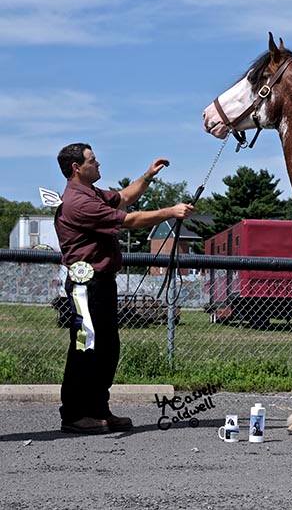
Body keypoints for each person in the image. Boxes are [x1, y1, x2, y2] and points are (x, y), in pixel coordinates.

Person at [54, 142, 194, 434]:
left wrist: (148, 175)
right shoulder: (78, 202)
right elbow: (129, 220)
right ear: (76, 168)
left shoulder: (91, 193)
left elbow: (123, 199)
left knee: (107, 349)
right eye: (92, 160)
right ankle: (74, 415)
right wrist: (170, 211)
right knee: (85, 349)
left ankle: (97, 409)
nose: (99, 164)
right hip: (85, 286)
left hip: (101, 284)